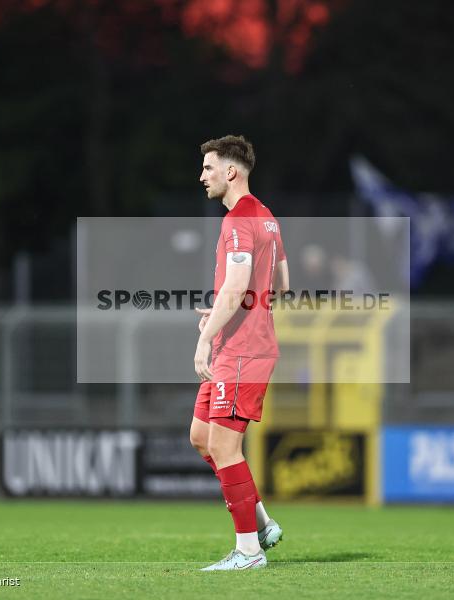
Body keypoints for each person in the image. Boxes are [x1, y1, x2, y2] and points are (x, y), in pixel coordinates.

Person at [190, 135, 289, 571]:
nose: (202, 176)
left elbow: (235, 287)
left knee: (225, 446)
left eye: (208, 167)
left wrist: (207, 336)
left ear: (230, 172)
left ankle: (248, 552)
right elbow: (281, 285)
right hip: (240, 345)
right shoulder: (266, 218)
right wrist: (226, 315)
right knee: (202, 437)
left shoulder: (238, 220)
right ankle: (262, 523)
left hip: (242, 352)